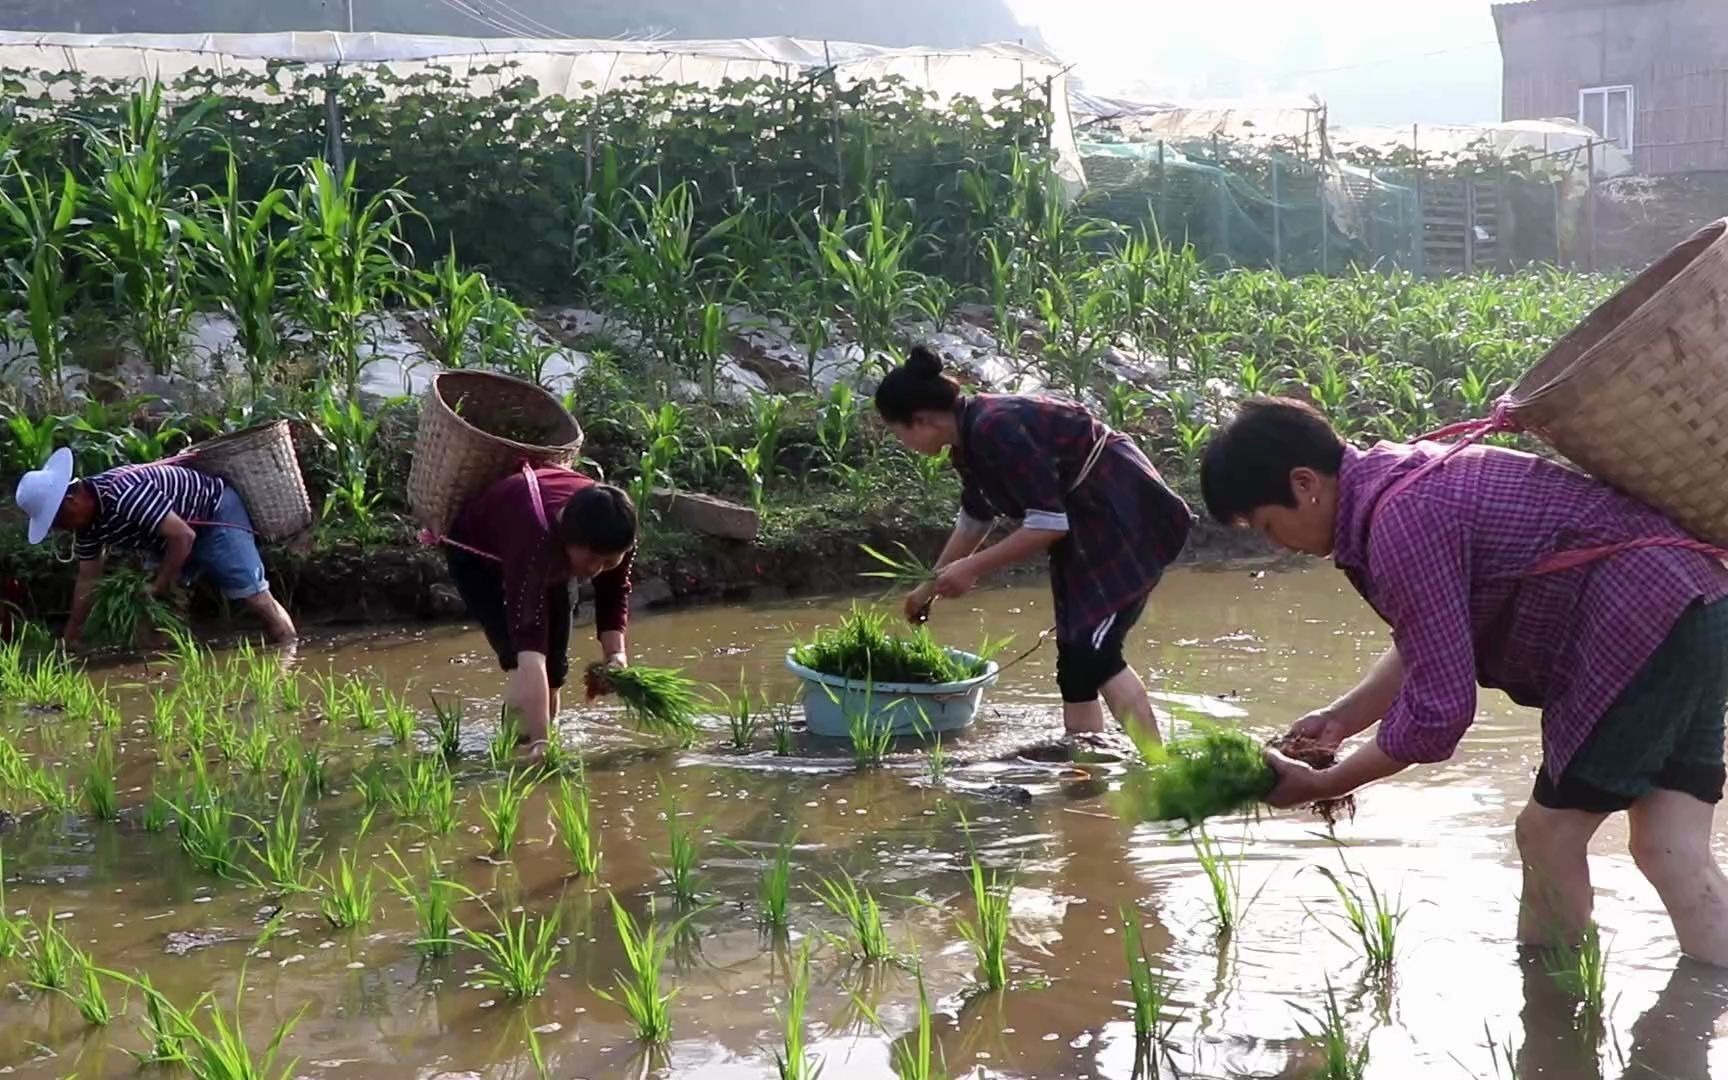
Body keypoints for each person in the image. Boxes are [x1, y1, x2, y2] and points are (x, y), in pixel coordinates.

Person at [1199, 397, 1728, 966]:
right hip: (1700, 606)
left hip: (1639, 625)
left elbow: (1440, 713)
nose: (1275, 544)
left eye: (1268, 526)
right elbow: (1431, 639)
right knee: (1670, 851)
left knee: (1548, 837)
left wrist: (1326, 784)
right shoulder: (1403, 481)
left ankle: (1554, 1017)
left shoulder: (1399, 518)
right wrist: (1342, 719)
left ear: (1304, 484)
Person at [873, 346, 1193, 746]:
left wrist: (971, 569)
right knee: (1076, 658)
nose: (902, 442)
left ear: (920, 421)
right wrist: (927, 589)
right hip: (1088, 522)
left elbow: (1047, 524)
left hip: (1124, 514)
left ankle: (1157, 768)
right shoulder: (970, 438)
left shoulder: (996, 427)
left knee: (1095, 652)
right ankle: (1086, 764)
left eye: (897, 433)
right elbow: (975, 519)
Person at [12, 448, 297, 645]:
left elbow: (183, 537)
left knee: (256, 598)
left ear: (72, 501)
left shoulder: (123, 494)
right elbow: (88, 580)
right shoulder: (87, 526)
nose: (61, 529)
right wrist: (72, 635)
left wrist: (160, 583)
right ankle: (165, 678)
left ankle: (289, 654)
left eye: (58, 520)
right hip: (168, 539)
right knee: (151, 615)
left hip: (213, 515)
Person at [442, 465, 636, 755]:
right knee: (522, 659)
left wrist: (615, 658)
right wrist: (541, 743)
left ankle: (539, 731)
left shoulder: (617, 528)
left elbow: (613, 590)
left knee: (555, 668)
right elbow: (530, 653)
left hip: (552, 555)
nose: (596, 570)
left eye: (608, 561)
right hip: (481, 559)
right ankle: (520, 748)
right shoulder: (534, 539)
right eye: (593, 558)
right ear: (570, 538)